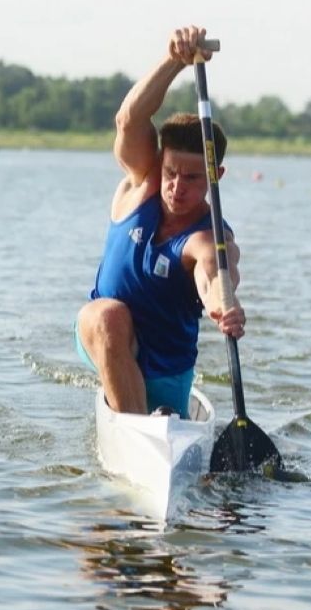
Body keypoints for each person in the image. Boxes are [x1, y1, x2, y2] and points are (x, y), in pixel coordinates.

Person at [76, 25, 245, 418]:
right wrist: (174, 59)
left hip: (168, 372)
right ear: (160, 164)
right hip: (105, 336)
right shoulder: (142, 184)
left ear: (215, 175)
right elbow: (129, 119)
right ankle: (139, 427)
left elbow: (215, 271)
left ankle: (150, 421)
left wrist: (225, 304)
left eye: (191, 177)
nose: (176, 187)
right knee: (107, 314)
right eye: (171, 172)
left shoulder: (208, 234)